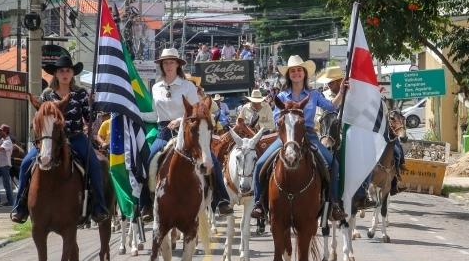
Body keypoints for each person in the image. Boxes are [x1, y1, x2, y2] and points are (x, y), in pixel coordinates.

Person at [10, 55, 109, 224]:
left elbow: (89, 118)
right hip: (49, 140)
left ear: (72, 74)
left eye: (68, 70)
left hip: (75, 137)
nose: (65, 74)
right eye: (61, 71)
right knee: (26, 163)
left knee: (95, 164)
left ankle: (99, 206)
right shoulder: (47, 95)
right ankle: (20, 207)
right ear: (55, 74)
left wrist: (93, 107)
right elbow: (39, 118)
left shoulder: (80, 94)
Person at [138, 48, 233, 222]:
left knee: (211, 159)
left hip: (187, 131)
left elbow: (197, 112)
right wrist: (136, 114)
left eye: (171, 62)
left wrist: (180, 120)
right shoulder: (156, 87)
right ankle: (145, 205)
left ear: (177, 65)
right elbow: (155, 114)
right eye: (165, 63)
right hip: (163, 131)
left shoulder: (188, 86)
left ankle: (222, 199)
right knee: (148, 160)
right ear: (161, 65)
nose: (168, 66)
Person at [251, 55, 347, 221]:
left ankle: (334, 203)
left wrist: (343, 92)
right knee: (260, 164)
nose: (296, 73)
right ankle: (259, 203)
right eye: (293, 71)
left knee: (333, 164)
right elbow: (276, 119)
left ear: (304, 73)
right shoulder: (281, 96)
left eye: (299, 70)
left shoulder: (314, 94)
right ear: (288, 75)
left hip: (309, 134)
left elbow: (331, 107)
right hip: (286, 137)